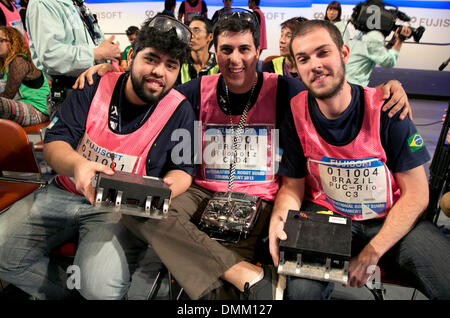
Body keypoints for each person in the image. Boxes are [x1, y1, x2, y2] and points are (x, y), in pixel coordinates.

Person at [73, 7, 411, 300]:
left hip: (261, 199)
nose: (235, 59)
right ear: (214, 52)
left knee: (218, 276)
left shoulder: (285, 90)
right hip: (200, 190)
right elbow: (146, 89)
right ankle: (242, 273)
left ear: (258, 49)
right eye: (226, 50)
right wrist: (106, 73)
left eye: (244, 49)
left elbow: (333, 93)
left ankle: (230, 278)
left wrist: (386, 90)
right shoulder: (193, 91)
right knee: (142, 208)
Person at [0, 14, 196, 300]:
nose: (159, 72)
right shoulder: (92, 86)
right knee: (5, 251)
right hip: (63, 193)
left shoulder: (181, 110)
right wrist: (79, 165)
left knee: (98, 286)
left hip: (117, 208)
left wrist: (163, 190)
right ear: (131, 57)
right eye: (151, 59)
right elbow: (55, 144)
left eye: (171, 65)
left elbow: (184, 169)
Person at [269, 19, 450, 300]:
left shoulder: (388, 105)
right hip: (327, 217)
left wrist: (372, 252)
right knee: (301, 292)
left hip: (391, 218)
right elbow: (293, 186)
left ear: (344, 54)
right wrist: (280, 219)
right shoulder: (295, 112)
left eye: (323, 52)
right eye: (303, 58)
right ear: (294, 67)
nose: (314, 64)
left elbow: (417, 193)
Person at [25, 0, 121, 102]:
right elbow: (51, 54)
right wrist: (95, 53)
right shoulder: (43, 3)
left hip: (93, 89)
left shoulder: (78, 4)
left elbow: (94, 42)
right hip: (70, 92)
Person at [345, 2, 411, 86]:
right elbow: (388, 62)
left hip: (346, 82)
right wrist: (400, 40)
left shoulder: (362, 34)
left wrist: (392, 42)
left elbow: (375, 53)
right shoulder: (374, 36)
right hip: (354, 85)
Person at [0, 26, 50, 126]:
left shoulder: (19, 61)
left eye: (0, 40)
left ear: (12, 43)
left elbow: (9, 95)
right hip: (19, 106)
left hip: (36, 110)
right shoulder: (4, 65)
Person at [177, 16, 219, 85]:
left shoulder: (219, 65)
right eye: (189, 31)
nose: (190, 36)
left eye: (196, 30)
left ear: (210, 37)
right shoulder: (179, 63)